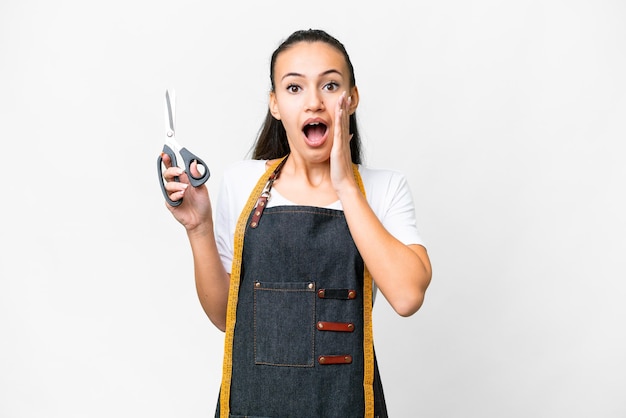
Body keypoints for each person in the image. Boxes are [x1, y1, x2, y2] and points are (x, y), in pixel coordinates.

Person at [160, 28, 432, 418]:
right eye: (294, 88)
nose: (314, 103)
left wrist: (345, 186)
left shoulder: (384, 188)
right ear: (274, 105)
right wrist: (198, 227)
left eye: (331, 85)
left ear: (351, 99)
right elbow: (226, 318)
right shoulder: (241, 182)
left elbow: (407, 297)